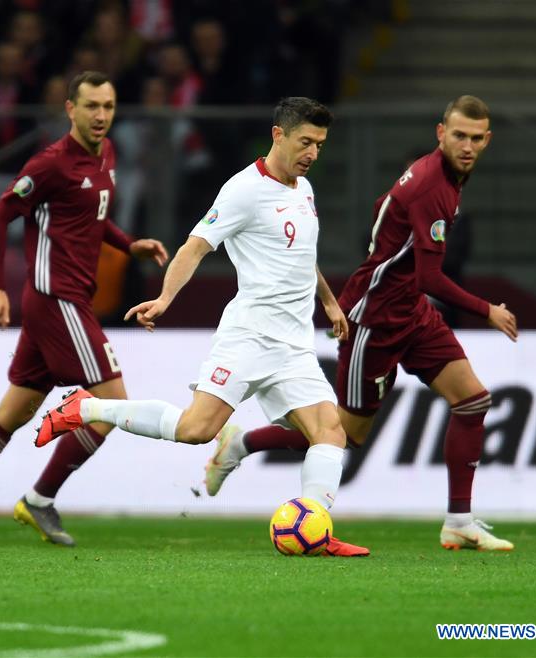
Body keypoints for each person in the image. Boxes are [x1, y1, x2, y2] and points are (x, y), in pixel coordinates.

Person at [35, 96, 366, 557]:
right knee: (196, 430)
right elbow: (194, 247)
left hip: (294, 344)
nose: (312, 153)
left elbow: (301, 258)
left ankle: (316, 530)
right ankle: (89, 409)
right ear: (279, 135)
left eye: (320, 144)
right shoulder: (243, 191)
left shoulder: (303, 189)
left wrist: (329, 302)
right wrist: (165, 298)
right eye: (305, 142)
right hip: (249, 336)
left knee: (330, 431)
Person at [202, 96, 519, 552]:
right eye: (459, 135)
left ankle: (459, 521)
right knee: (343, 434)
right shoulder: (432, 185)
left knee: (472, 401)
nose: (467, 145)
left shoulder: (447, 177)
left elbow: (384, 208)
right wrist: (486, 309)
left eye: (475, 137)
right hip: (374, 320)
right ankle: (240, 444)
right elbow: (430, 275)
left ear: (486, 139)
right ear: (441, 133)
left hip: (412, 312)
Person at [0, 71, 168, 546]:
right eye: (91, 106)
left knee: (13, 411)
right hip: (57, 299)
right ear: (69, 109)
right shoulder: (51, 163)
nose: (101, 116)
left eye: (109, 107)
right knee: (113, 404)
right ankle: (39, 499)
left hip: (63, 302)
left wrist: (127, 243)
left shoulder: (107, 155)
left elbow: (92, 217)